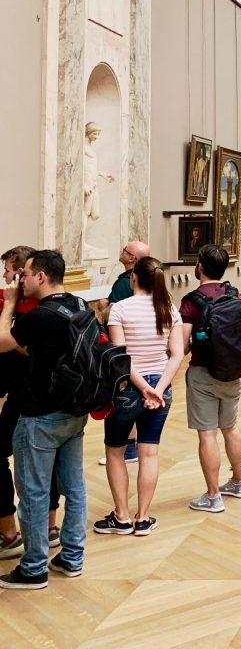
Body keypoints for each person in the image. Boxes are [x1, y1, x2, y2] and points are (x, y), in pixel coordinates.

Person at [0, 250, 88, 589]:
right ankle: (71, 557)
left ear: (40, 276)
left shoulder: (39, 316)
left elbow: (4, 342)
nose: (22, 279)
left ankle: (34, 567)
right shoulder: (79, 306)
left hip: (39, 415)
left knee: (34, 492)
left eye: (26, 274)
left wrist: (9, 303)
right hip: (74, 412)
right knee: (74, 486)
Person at [97, 257, 183, 536]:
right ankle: (143, 518)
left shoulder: (119, 309)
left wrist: (142, 386)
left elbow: (120, 356)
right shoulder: (169, 309)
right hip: (161, 385)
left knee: (115, 451)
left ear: (134, 277)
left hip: (127, 389)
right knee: (149, 451)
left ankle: (121, 517)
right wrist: (157, 389)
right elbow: (178, 353)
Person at [179, 244, 241, 513]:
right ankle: (238, 482)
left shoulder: (191, 301)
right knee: (230, 427)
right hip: (233, 372)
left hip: (203, 374)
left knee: (207, 434)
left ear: (199, 266)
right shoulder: (235, 294)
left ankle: (212, 496)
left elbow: (183, 346)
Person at [0, 245, 39, 561]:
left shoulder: (26, 311)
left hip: (28, 400)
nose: (5, 278)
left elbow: (6, 345)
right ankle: (47, 532)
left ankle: (11, 533)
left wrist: (9, 305)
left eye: (8, 272)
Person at [100, 239, 150, 466]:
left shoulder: (123, 284)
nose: (121, 251)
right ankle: (134, 446)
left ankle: (128, 448)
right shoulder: (156, 290)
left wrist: (103, 308)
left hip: (128, 354)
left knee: (125, 403)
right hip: (150, 358)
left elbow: (113, 318)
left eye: (125, 250)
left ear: (132, 260)